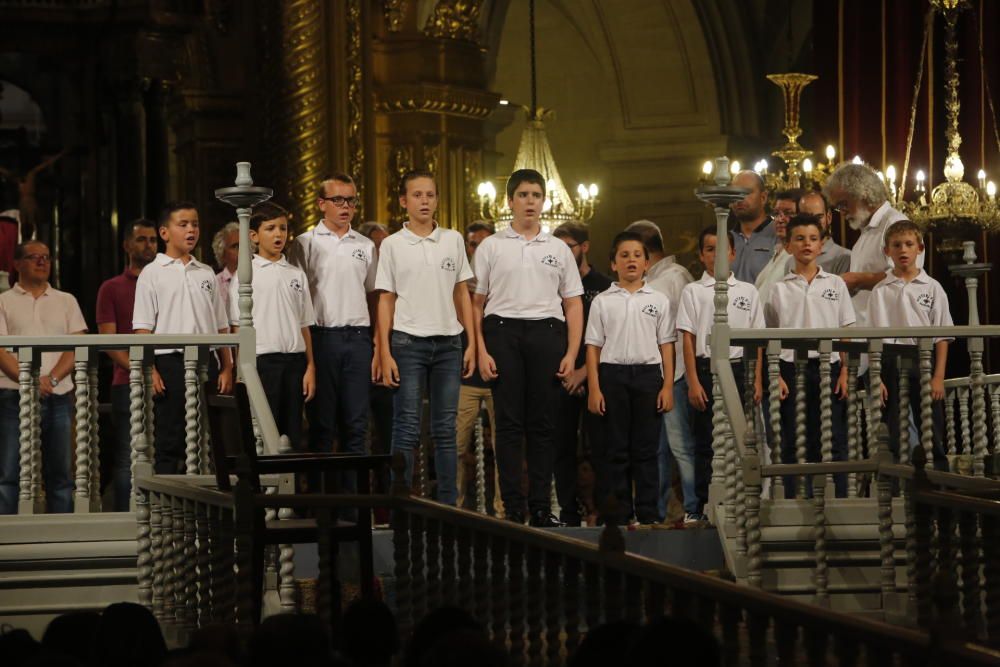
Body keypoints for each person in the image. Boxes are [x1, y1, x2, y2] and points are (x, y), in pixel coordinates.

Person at [473, 168, 583, 526]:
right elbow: (476, 303)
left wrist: (570, 352)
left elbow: (573, 303)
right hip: (501, 331)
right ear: (510, 201)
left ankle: (539, 507)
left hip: (547, 333)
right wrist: (481, 349)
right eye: (523, 195)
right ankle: (513, 507)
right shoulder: (491, 246)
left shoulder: (557, 249)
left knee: (543, 425)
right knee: (507, 424)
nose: (530, 201)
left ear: (543, 201)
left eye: (536, 195)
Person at [376, 171, 474, 505]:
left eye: (430, 195)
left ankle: (448, 505)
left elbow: (462, 292)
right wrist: (384, 351)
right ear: (404, 201)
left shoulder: (453, 239)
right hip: (408, 342)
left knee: (445, 429)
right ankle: (401, 501)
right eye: (417, 195)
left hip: (449, 342)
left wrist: (472, 341)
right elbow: (386, 299)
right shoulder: (392, 245)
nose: (424, 201)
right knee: (406, 425)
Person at [133, 201, 234, 474]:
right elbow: (142, 329)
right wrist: (150, 369)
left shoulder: (205, 273)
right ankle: (169, 508)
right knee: (171, 437)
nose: (191, 230)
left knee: (212, 436)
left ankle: (211, 505)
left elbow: (220, 325)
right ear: (165, 233)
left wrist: (227, 365)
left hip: (206, 360)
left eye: (195, 224)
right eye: (183, 224)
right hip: (170, 362)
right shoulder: (151, 274)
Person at [585, 231, 674, 526]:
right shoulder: (602, 301)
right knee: (617, 449)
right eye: (624, 255)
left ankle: (648, 513)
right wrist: (594, 389)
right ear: (613, 264)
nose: (631, 260)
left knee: (647, 450)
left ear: (647, 263)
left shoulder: (659, 300)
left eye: (637, 255)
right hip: (613, 376)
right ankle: (621, 514)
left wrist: (668, 386)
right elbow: (593, 347)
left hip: (648, 377)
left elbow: (666, 346)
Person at [287, 173, 378, 458]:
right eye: (338, 200)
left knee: (357, 425)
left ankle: (354, 502)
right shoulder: (305, 243)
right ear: (321, 203)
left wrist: (375, 341)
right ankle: (322, 501)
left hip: (358, 337)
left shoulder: (365, 245)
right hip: (321, 337)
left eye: (350, 200)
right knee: (322, 426)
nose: (345, 206)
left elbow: (373, 294)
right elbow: (295, 296)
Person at [676, 227, 763, 520]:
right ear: (702, 255)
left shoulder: (748, 291)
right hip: (705, 368)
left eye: (722, 248)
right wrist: (692, 382)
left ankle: (740, 502)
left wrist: (758, 379)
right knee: (705, 441)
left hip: (740, 370)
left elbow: (758, 341)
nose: (717, 255)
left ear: (734, 253)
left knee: (741, 437)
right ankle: (701, 505)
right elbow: (687, 338)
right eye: (710, 249)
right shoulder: (693, 291)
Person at [766, 215, 854, 497]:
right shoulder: (778, 288)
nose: (807, 244)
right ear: (789, 245)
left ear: (821, 245)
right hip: (792, 368)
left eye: (813, 238)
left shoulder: (835, 284)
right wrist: (776, 374)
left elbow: (845, 330)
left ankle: (837, 498)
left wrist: (845, 372)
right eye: (800, 238)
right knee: (792, 437)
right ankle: (793, 498)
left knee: (833, 438)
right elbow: (770, 336)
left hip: (829, 366)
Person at [0, 241, 87, 514]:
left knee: (61, 474)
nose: (42, 262)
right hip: (12, 395)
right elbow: (0, 350)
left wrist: (51, 381)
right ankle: (7, 536)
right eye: (33, 257)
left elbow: (76, 345)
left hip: (58, 396)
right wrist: (31, 382)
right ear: (17, 264)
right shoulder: (3, 301)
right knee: (8, 472)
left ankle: (63, 535)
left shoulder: (66, 300)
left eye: (46, 257)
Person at [624, 220, 696, 525]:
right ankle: (656, 510)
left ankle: (694, 506)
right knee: (657, 450)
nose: (630, 260)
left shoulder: (673, 278)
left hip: (675, 373)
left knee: (682, 447)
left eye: (634, 253)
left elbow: (680, 330)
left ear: (647, 251)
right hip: (652, 376)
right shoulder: (653, 279)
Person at [229, 202, 316, 451]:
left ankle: (289, 487)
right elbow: (237, 327)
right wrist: (241, 371)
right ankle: (267, 488)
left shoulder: (295, 274)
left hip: (295, 361)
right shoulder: (246, 275)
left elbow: (304, 324)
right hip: (262, 363)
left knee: (293, 433)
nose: (279, 234)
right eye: (270, 228)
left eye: (283, 228)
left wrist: (311, 366)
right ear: (254, 235)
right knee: (266, 432)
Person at [868, 220, 952, 470]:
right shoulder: (880, 290)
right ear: (887, 251)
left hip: (921, 359)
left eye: (908, 244)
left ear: (920, 248)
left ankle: (939, 490)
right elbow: (872, 338)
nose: (903, 250)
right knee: (891, 428)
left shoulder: (933, 288)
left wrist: (938, 377)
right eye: (896, 245)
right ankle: (892, 491)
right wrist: (876, 376)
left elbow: (943, 336)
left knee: (931, 426)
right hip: (889, 361)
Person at [551, 221, 612, 526]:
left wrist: (583, 374)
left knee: (601, 448)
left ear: (584, 247)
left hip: (595, 378)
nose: (562, 253)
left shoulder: (603, 286)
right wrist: (566, 373)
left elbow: (609, 338)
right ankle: (568, 511)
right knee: (560, 448)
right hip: (561, 379)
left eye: (568, 246)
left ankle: (602, 510)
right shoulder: (550, 285)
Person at [95, 218, 158, 510]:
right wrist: (139, 370)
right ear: (127, 246)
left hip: (166, 378)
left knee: (165, 453)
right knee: (125, 456)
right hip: (126, 381)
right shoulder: (111, 287)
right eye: (142, 239)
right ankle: (123, 518)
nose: (149, 245)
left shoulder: (163, 280)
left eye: (153, 239)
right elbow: (108, 339)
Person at [823, 162, 921, 326]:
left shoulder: (895, 224)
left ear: (864, 194)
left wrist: (858, 280)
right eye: (838, 208)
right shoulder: (866, 232)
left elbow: (908, 277)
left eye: (843, 204)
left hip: (891, 335)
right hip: (868, 334)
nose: (842, 212)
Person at [455, 220, 503, 515]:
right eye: (474, 244)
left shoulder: (505, 281)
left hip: (500, 378)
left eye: (485, 243)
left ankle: (502, 510)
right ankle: (454, 508)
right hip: (464, 379)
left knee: (503, 449)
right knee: (455, 446)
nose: (479, 249)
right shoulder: (456, 286)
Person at [358, 221, 393, 509]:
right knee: (359, 437)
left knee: (391, 438)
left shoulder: (395, 283)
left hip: (391, 366)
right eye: (378, 247)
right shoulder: (364, 285)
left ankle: (391, 505)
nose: (383, 251)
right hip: (360, 362)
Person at [754, 188, 800, 304]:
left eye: (788, 213)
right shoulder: (779, 251)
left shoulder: (800, 256)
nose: (780, 219)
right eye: (776, 214)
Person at [729, 170, 775, 284]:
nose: (739, 199)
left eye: (746, 192)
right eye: (735, 194)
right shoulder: (725, 239)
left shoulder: (779, 235)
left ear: (763, 197)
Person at [797, 191, 851, 275]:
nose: (814, 223)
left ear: (828, 217)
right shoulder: (791, 261)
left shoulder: (844, 258)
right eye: (807, 217)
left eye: (818, 217)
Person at [212, 221, 240, 314]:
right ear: (222, 252)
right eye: (235, 246)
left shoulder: (259, 278)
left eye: (245, 244)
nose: (242, 249)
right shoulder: (214, 284)